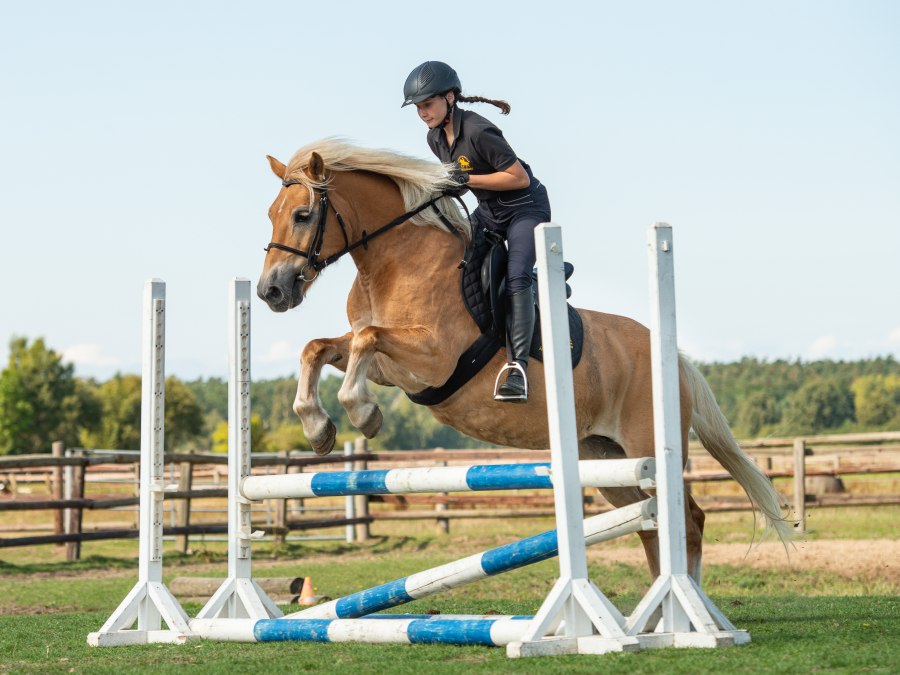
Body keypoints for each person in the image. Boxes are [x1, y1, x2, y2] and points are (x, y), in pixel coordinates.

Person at [402, 61, 551, 404]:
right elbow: (460, 183)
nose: (423, 113)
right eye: (418, 107)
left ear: (449, 98)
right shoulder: (435, 137)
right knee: (454, 255)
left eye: (427, 104)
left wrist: (466, 179)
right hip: (489, 211)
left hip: (525, 209)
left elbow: (518, 178)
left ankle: (518, 367)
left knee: (516, 277)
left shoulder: (478, 130)